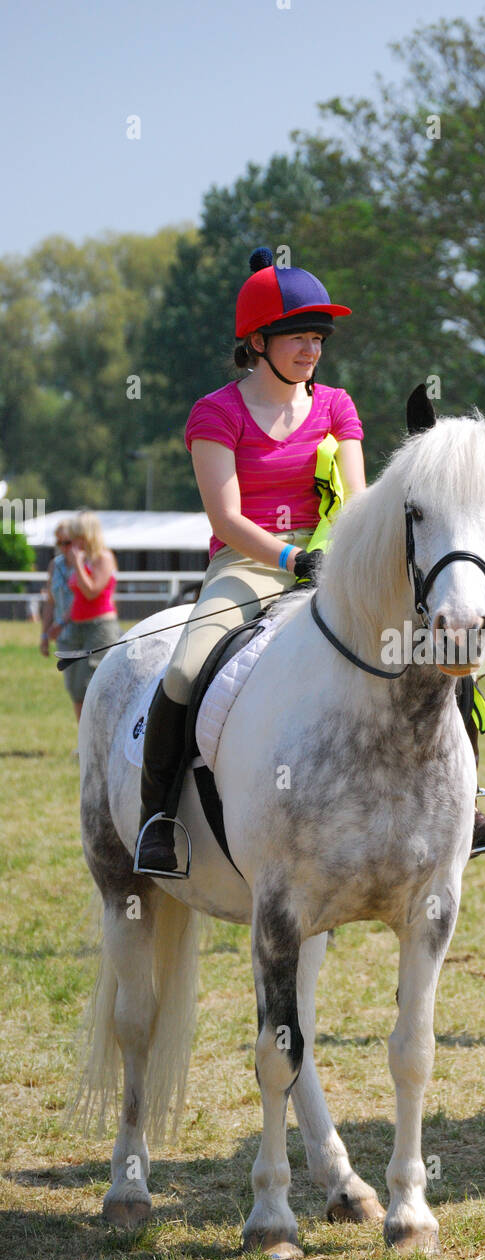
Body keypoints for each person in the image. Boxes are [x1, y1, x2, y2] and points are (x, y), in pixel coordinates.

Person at [134, 247, 366, 875]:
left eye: (318, 338)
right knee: (183, 670)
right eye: (298, 337)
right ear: (258, 340)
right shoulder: (216, 412)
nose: (312, 350)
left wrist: (332, 556)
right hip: (246, 565)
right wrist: (295, 558)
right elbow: (226, 519)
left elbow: (357, 501)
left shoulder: (337, 407)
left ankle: (460, 803)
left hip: (332, 565)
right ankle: (156, 819)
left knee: (422, 652)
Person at [64, 512, 122, 724]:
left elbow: (91, 591)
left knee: (91, 683)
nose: (73, 543)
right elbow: (77, 596)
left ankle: (97, 736)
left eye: (78, 536)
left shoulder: (103, 558)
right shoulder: (84, 559)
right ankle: (83, 739)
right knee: (76, 686)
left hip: (99, 627)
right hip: (77, 627)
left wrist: (78, 565)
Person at [40, 521, 74, 661]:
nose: (63, 547)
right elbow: (50, 602)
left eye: (67, 542)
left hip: (84, 631)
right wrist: (44, 636)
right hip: (62, 634)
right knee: (71, 682)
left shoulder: (86, 563)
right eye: (59, 543)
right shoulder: (54, 565)